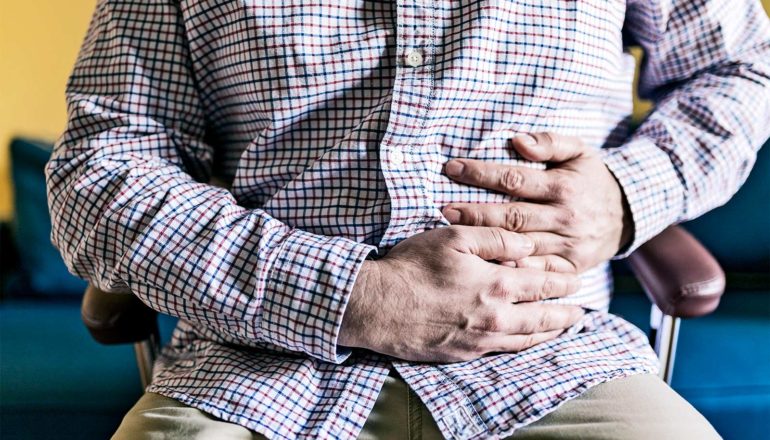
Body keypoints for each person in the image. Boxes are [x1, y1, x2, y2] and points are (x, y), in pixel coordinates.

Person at [46, 0, 769, 438]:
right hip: (250, 371)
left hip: (556, 361)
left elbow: (742, 71)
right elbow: (100, 172)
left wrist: (626, 192)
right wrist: (353, 297)